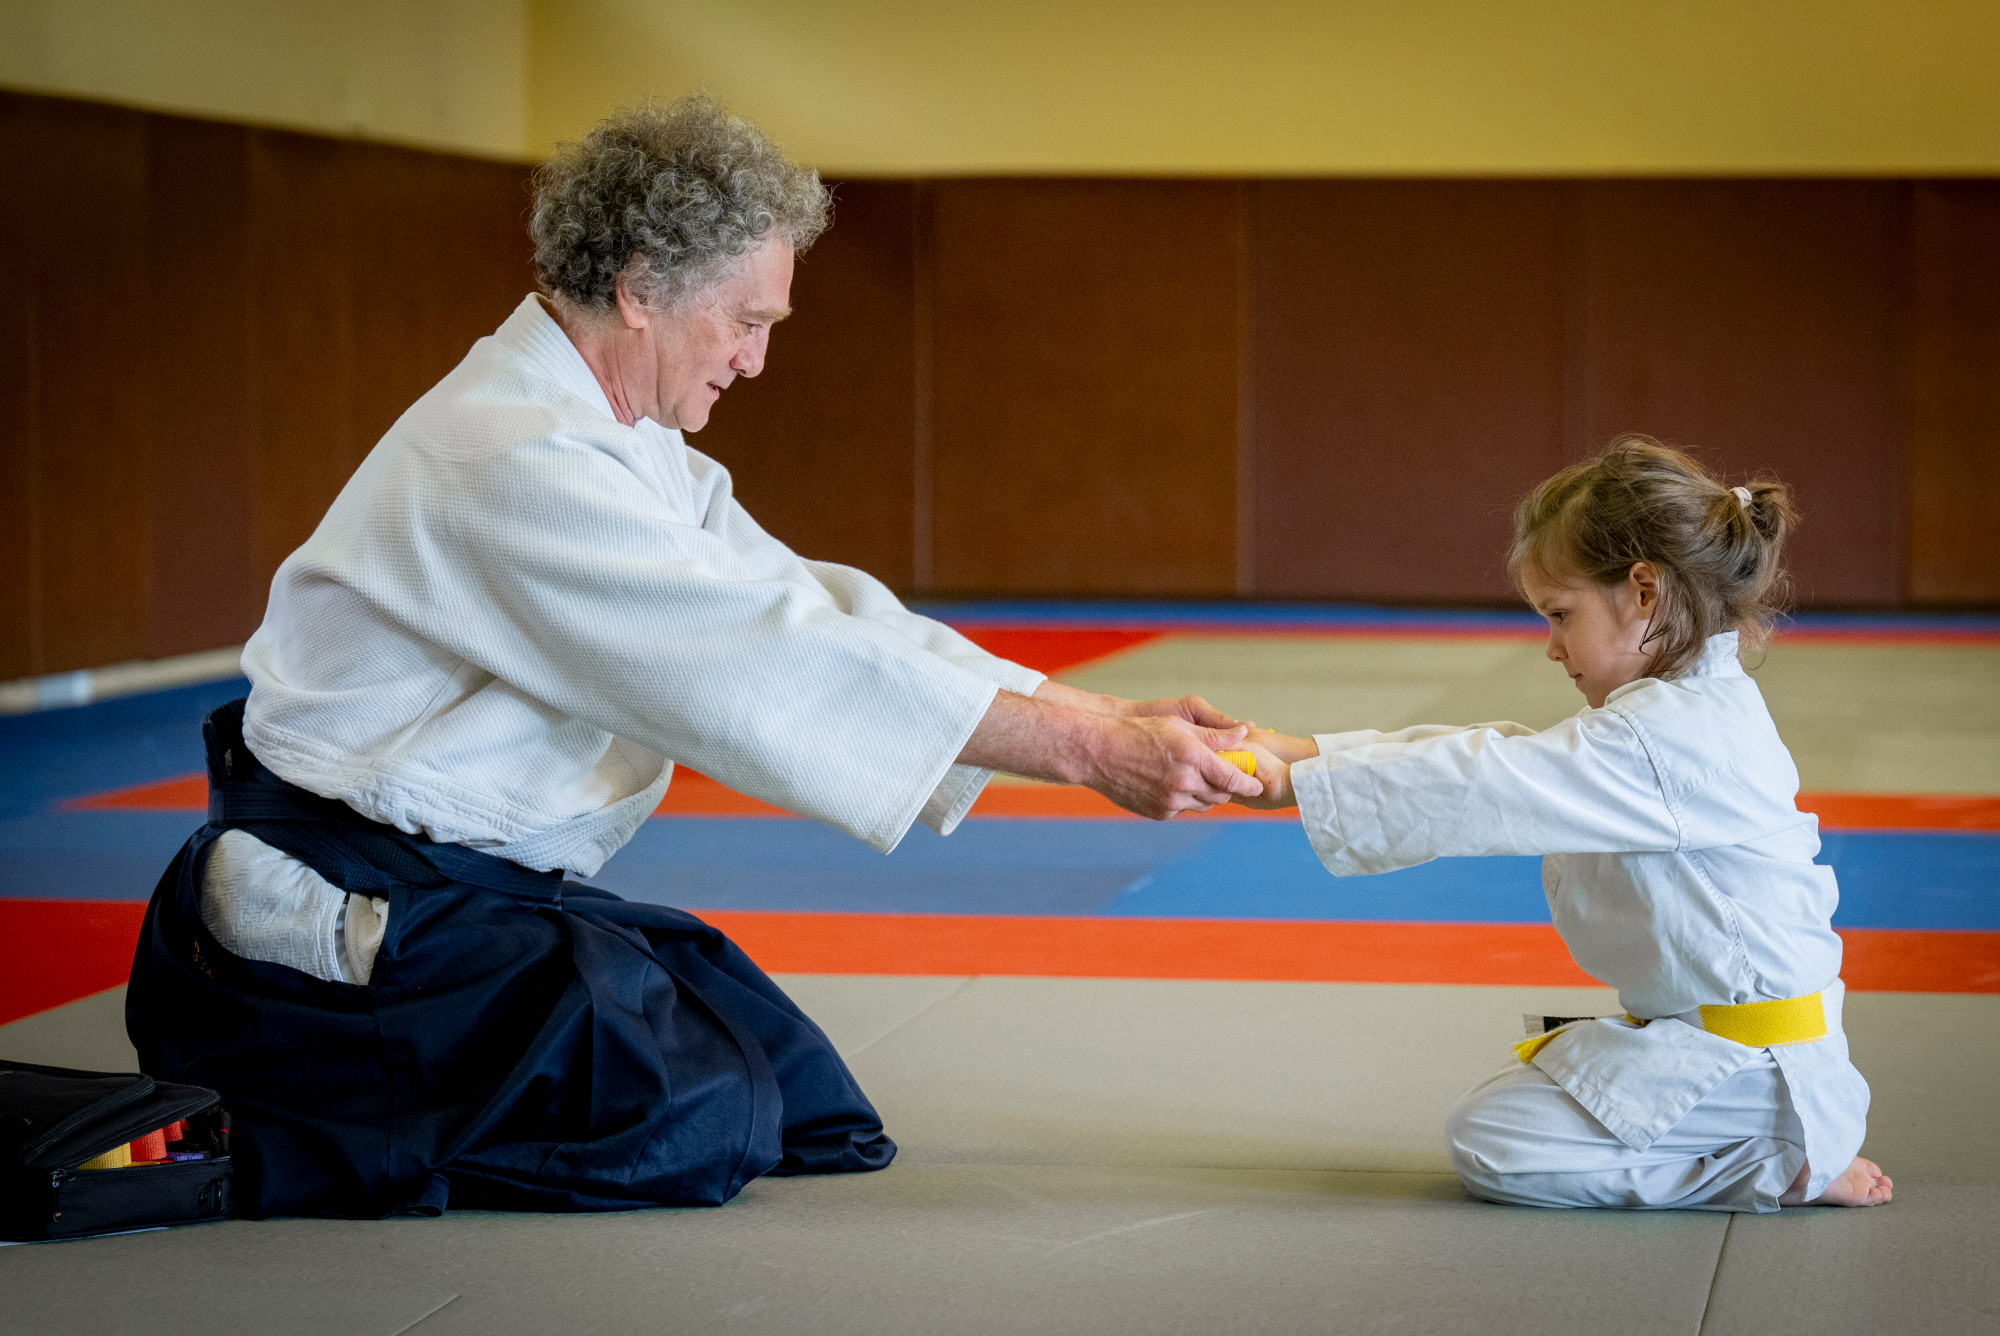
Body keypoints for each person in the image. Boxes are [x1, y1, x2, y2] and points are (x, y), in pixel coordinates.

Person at [126, 96, 1259, 1220]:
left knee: (810, 1108)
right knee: (704, 1121)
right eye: (746, 321)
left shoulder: (622, 440)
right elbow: (756, 664)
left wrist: (1102, 714)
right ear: (639, 288)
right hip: (339, 913)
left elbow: (815, 608)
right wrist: (1085, 756)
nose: (756, 361)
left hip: (461, 894)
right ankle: (277, 1132)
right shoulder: (512, 452)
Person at [1234, 436, 1889, 1212]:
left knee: (1492, 1143)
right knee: (1506, 1111)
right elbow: (1505, 752)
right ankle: (1781, 1145)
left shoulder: (1668, 738)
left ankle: (1780, 1166)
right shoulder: (1679, 713)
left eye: (1560, 614)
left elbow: (1491, 779)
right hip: (1732, 1044)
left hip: (1759, 1068)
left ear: (1644, 592)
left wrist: (1297, 782)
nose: (1550, 648)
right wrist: (1303, 753)